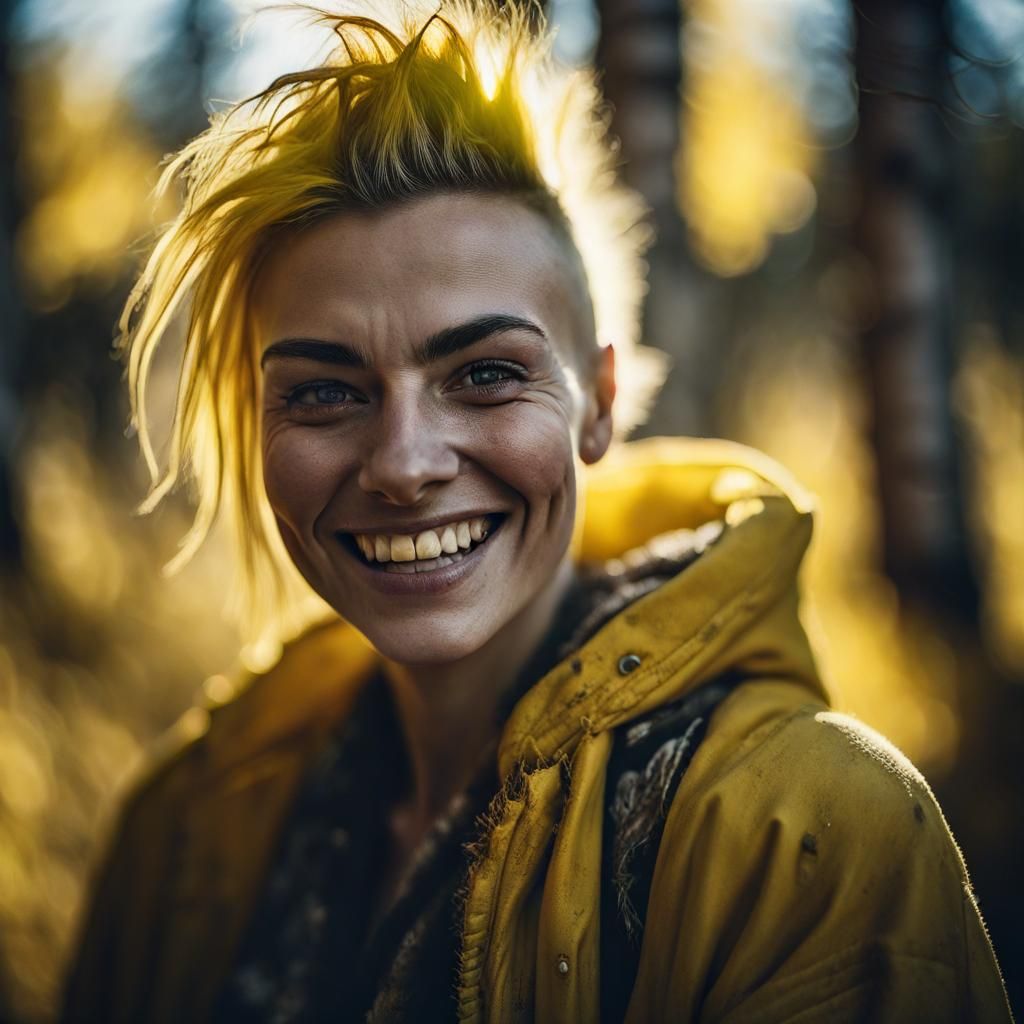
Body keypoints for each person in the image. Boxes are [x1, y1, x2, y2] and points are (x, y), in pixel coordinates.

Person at [61, 2, 1013, 1021]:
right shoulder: (180, 830)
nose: (403, 465)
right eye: (325, 391)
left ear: (599, 403)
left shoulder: (810, 835)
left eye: (483, 373)